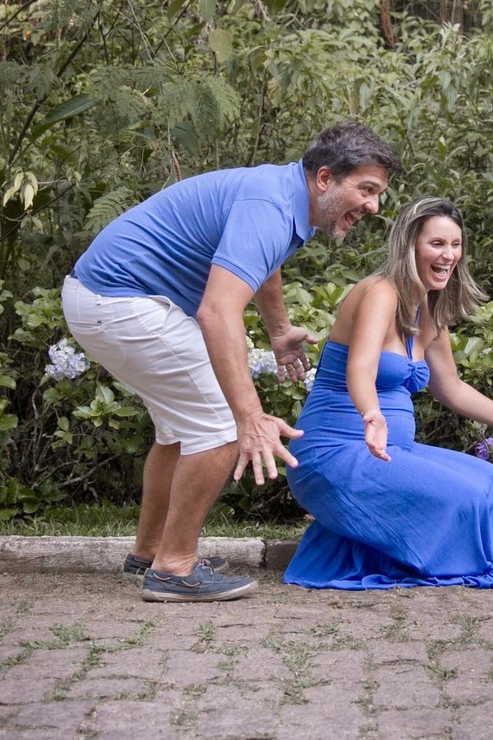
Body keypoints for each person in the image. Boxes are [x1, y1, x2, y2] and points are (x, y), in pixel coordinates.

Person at [62, 122, 401, 602]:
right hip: (119, 301)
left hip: (103, 298)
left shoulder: (284, 199)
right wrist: (249, 417)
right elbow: (217, 311)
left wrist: (280, 332)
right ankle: (174, 569)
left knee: (181, 431)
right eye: (366, 190)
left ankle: (150, 551)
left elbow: (263, 268)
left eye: (378, 195)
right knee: (218, 426)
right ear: (325, 178)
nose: (373, 206)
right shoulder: (269, 205)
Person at [283, 196, 493, 590]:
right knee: (470, 497)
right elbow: (361, 367)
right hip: (334, 452)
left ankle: (391, 544)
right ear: (410, 246)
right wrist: (372, 416)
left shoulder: (428, 308)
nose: (449, 255)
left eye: (456, 245)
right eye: (437, 244)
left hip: (390, 452)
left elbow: (452, 388)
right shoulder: (380, 292)